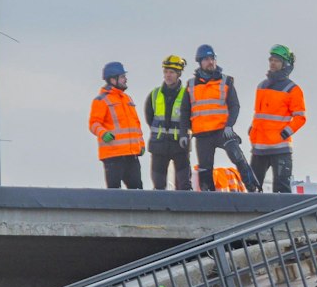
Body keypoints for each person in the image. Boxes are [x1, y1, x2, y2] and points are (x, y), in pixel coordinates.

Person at [189, 45, 256, 191]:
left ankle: (253, 187)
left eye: (212, 58)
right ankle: (208, 196)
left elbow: (234, 106)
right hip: (203, 134)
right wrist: (185, 131)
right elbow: (185, 111)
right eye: (206, 59)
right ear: (200, 62)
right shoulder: (191, 85)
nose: (210, 62)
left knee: (237, 155)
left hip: (222, 129)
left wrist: (229, 125)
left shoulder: (226, 81)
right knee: (205, 168)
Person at [248, 44, 307, 193]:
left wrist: (286, 132)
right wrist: (252, 130)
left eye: (277, 60)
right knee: (253, 188)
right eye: (271, 60)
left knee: (281, 189)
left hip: (280, 148)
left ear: (285, 64)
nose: (272, 63)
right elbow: (259, 114)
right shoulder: (261, 86)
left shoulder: (293, 89)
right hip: (259, 148)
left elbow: (300, 118)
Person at [89, 62, 144, 188]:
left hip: (131, 155)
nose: (125, 79)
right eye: (122, 77)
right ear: (113, 79)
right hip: (113, 156)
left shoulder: (127, 99)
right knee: (114, 193)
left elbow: (136, 124)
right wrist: (103, 133)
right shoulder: (101, 100)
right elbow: (93, 123)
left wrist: (141, 144)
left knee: (138, 193)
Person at [143, 55, 193, 190]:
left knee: (184, 186)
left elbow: (191, 119)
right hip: (159, 146)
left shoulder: (187, 94)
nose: (167, 75)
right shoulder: (154, 94)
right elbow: (150, 117)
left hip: (180, 146)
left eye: (171, 72)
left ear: (178, 74)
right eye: (165, 72)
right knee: (158, 186)